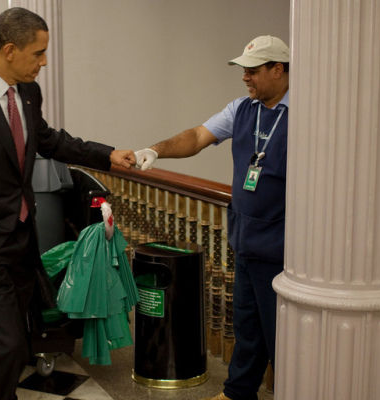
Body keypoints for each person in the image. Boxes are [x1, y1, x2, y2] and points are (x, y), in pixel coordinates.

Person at [0, 7, 135, 400]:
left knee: (11, 337)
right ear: (11, 49)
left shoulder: (28, 94)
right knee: (9, 343)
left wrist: (107, 155)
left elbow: (50, 140)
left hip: (21, 238)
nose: (45, 62)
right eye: (39, 53)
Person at [135, 35, 290, 400]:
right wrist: (156, 150)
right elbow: (197, 136)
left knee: (282, 335)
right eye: (244, 71)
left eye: (253, 71)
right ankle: (238, 392)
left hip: (284, 247)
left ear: (278, 69)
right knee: (247, 326)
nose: (245, 78)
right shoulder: (241, 109)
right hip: (245, 239)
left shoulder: (306, 116)